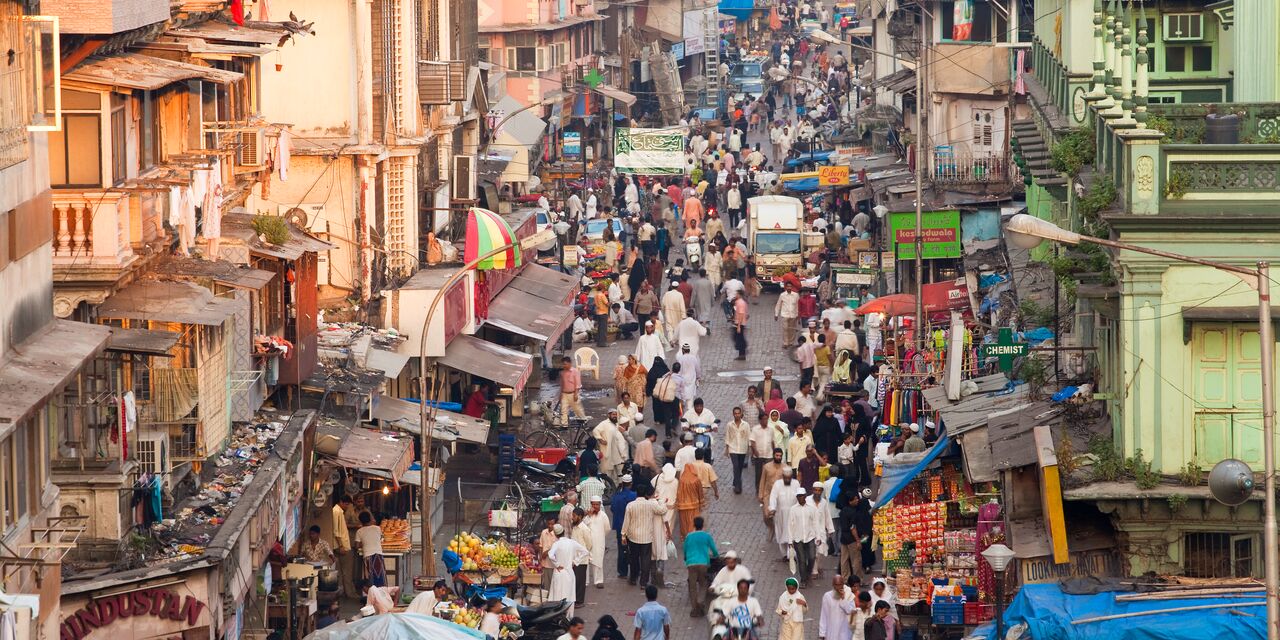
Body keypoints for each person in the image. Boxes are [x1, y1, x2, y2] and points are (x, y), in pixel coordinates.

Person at [621, 486, 669, 587]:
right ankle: (644, 582)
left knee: (634, 559)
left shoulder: (630, 505)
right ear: (646, 494)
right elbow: (662, 511)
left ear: (636, 493)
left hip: (633, 537)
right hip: (647, 537)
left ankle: (633, 579)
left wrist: (623, 535)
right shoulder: (650, 504)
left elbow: (626, 521)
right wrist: (664, 503)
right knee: (645, 560)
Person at [548, 523, 591, 617]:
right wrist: (575, 562)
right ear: (563, 532)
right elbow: (585, 551)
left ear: (555, 534)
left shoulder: (556, 544)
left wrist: (557, 564)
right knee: (569, 596)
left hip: (559, 573)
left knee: (557, 596)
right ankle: (569, 617)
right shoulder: (572, 542)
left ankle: (557, 617)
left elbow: (550, 555)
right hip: (569, 573)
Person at [683, 516, 720, 616]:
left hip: (691, 563)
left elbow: (685, 550)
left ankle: (695, 607)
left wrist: (686, 558)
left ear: (694, 525)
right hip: (703, 563)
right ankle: (700, 601)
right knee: (703, 583)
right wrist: (716, 556)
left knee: (692, 586)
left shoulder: (689, 536)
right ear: (702, 525)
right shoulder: (706, 536)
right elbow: (714, 550)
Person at [768, 467, 803, 555]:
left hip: (793, 514)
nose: (787, 479)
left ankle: (791, 554)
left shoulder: (796, 484)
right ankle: (784, 554)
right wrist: (772, 508)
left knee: (792, 533)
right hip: (780, 514)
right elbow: (773, 497)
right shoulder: (777, 484)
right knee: (781, 533)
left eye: (789, 477)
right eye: (785, 477)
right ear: (783, 476)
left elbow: (800, 496)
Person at [787, 492, 819, 586]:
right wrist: (790, 540)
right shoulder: (793, 509)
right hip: (798, 538)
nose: (800, 498)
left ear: (805, 496)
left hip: (810, 537)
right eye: (798, 496)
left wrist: (818, 536)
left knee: (812, 557)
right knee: (802, 560)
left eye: (802, 496)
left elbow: (815, 523)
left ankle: (808, 574)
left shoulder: (811, 508)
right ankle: (803, 580)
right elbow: (790, 525)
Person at [581, 496, 612, 589]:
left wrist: (600, 536)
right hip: (586, 542)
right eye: (593, 504)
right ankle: (585, 581)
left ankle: (598, 581)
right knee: (585, 561)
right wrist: (589, 516)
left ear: (600, 505)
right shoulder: (586, 515)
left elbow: (607, 529)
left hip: (598, 542)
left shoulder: (603, 515)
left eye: (597, 504)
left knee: (598, 561)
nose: (595, 506)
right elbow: (583, 526)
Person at [611, 475, 637, 579]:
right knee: (634, 549)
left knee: (622, 549)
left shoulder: (616, 496)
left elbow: (613, 509)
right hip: (632, 526)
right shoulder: (634, 496)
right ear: (631, 484)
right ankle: (635, 571)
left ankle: (623, 571)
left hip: (620, 527)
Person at [819, 575, 857, 640]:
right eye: (836, 585)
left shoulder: (849, 595)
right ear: (833, 585)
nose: (838, 587)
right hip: (831, 632)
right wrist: (822, 633)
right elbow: (823, 615)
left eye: (840, 585)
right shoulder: (827, 596)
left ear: (843, 584)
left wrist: (843, 599)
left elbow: (849, 611)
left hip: (844, 632)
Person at [594, 410, 629, 480]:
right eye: (613, 414)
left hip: (615, 454)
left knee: (616, 475)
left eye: (616, 414)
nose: (615, 416)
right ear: (609, 415)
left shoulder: (615, 425)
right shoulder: (604, 423)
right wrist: (600, 439)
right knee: (607, 473)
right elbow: (595, 430)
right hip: (606, 452)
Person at [332, 496, 356, 597]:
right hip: (341, 546)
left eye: (348, 505)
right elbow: (336, 531)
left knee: (341, 571)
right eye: (346, 504)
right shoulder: (336, 511)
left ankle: (343, 592)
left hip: (340, 545)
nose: (347, 507)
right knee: (347, 571)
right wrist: (341, 546)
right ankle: (349, 593)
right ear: (341, 501)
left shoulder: (338, 511)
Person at [355, 511, 386, 590]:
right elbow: (382, 539)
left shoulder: (359, 531)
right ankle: (381, 594)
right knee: (380, 576)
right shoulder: (377, 528)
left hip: (368, 555)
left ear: (360, 521)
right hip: (378, 554)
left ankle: (372, 595)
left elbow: (356, 546)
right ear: (370, 519)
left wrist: (364, 543)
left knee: (370, 577)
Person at [724, 406, 751, 494]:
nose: (737, 415)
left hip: (742, 449)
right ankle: (738, 487)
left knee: (739, 467)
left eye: (738, 413)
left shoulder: (746, 425)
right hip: (733, 448)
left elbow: (748, 436)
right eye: (735, 413)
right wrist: (727, 448)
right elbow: (727, 436)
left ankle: (736, 481)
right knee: (735, 466)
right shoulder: (729, 425)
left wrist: (750, 448)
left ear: (741, 414)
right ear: (733, 414)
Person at [675, 459, 704, 539]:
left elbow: (679, 492)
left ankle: (686, 537)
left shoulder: (681, 479)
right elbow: (700, 492)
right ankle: (693, 538)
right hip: (694, 506)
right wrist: (701, 504)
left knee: (684, 523)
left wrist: (678, 504)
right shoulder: (696, 480)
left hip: (683, 507)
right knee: (692, 523)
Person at [750, 416, 775, 492]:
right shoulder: (755, 429)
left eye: (766, 419)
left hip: (769, 454)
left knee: (769, 472)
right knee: (759, 473)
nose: (765, 421)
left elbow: (772, 441)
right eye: (763, 419)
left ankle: (767, 489)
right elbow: (752, 441)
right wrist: (755, 451)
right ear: (760, 420)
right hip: (759, 455)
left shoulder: (771, 429)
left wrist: (774, 452)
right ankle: (758, 489)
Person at [560, 357, 587, 427]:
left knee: (577, 408)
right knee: (564, 410)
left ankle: (583, 420)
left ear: (569, 363)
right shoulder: (563, 373)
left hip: (573, 393)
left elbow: (578, 383)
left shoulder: (575, 371)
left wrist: (576, 394)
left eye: (565, 364)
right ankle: (564, 425)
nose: (564, 366)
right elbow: (562, 384)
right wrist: (560, 394)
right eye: (563, 364)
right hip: (564, 394)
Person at [733, 291, 749, 360]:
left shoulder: (740, 303)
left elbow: (741, 314)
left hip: (740, 323)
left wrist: (739, 326)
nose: (735, 295)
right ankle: (741, 353)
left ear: (739, 295)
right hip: (739, 322)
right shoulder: (739, 302)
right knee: (738, 338)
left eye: (736, 294)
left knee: (739, 338)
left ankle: (742, 351)